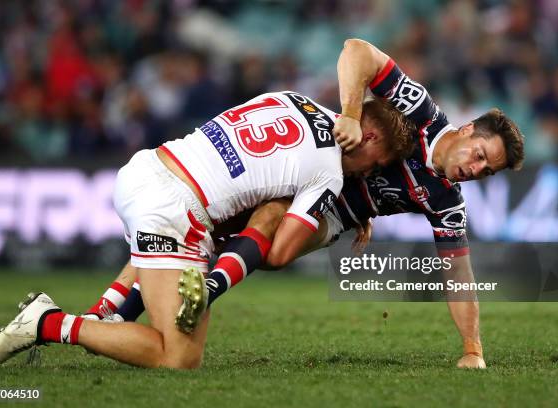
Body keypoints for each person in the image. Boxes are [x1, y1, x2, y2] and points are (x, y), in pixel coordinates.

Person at [113, 38, 526, 370]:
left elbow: (459, 274)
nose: (476, 169)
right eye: (480, 154)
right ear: (468, 129)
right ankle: (132, 307)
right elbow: (356, 50)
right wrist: (348, 113)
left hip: (337, 211)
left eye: (488, 171)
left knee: (273, 249)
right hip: (314, 161)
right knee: (213, 218)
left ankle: (173, 293)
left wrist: (473, 348)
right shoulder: (420, 109)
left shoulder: (447, 202)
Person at [0, 90, 413, 369]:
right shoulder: (329, 173)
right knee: (178, 357)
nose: (365, 174)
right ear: (368, 138)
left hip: (148, 167)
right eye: (373, 165)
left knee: (198, 238)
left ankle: (107, 315)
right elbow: (280, 253)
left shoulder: (293, 97)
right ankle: (50, 323)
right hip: (176, 210)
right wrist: (304, 215)